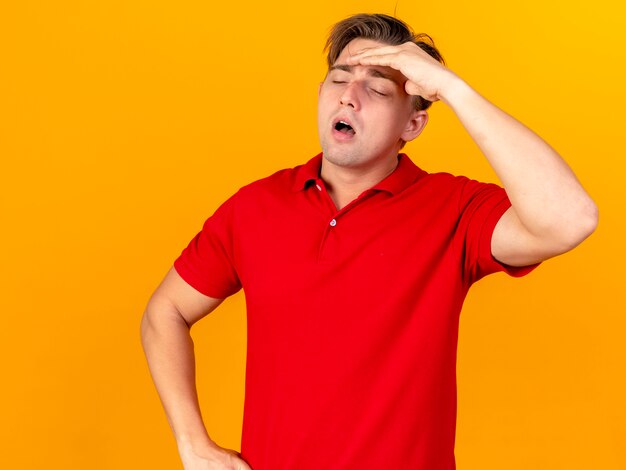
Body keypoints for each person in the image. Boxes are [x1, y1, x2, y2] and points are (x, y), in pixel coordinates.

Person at [141, 13, 597, 470]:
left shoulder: (455, 209)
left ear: (413, 125)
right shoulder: (253, 207)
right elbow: (166, 312)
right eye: (339, 78)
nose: (349, 96)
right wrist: (192, 444)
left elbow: (569, 219)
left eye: (378, 88)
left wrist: (453, 90)